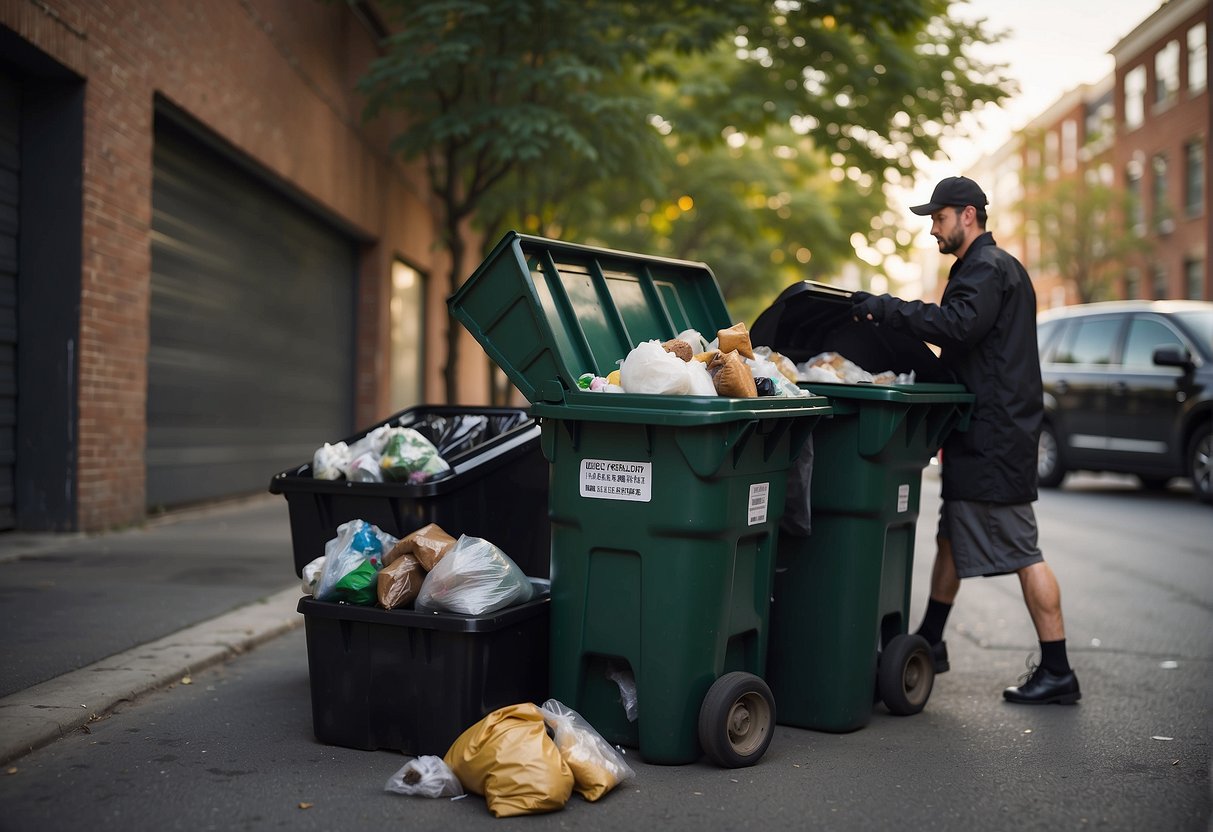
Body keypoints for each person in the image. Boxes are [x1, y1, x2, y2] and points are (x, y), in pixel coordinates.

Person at [851, 175, 1081, 705]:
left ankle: (1058, 668)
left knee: (1023, 550)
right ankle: (931, 640)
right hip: (986, 431)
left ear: (968, 215)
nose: (933, 228)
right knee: (952, 535)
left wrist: (885, 309)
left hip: (995, 438)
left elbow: (956, 327)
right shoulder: (992, 268)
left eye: (938, 217)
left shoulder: (986, 269)